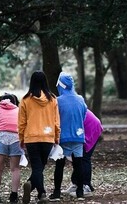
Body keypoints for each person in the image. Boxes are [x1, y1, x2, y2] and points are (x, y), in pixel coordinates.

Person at [18, 71, 60, 203]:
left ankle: (35, 188)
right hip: (47, 137)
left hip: (31, 138)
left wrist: (21, 138)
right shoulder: (53, 99)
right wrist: (56, 137)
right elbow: (56, 121)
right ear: (45, 82)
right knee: (40, 167)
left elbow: (21, 122)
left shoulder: (25, 100)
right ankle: (40, 192)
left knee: (37, 167)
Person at [49, 72, 87, 202]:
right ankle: (80, 192)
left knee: (59, 165)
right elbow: (84, 115)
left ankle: (57, 193)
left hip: (62, 137)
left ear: (60, 85)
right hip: (78, 136)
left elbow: (54, 119)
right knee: (78, 165)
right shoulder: (81, 99)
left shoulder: (57, 101)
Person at [63, 109, 103, 197]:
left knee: (84, 157)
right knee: (76, 157)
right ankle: (76, 183)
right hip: (84, 127)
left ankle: (86, 186)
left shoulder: (61, 105)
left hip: (91, 127)